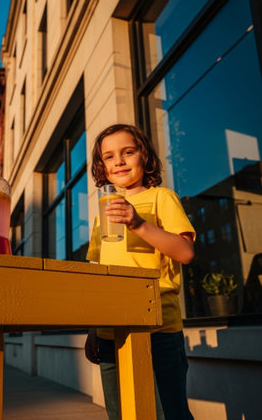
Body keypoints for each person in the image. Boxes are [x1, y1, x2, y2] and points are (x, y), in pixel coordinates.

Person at [84, 124, 195, 420]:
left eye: (128, 152)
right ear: (102, 167)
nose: (118, 161)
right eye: (108, 156)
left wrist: (138, 224)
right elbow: (99, 273)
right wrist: (94, 327)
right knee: (121, 413)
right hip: (111, 331)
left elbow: (185, 253)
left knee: (168, 413)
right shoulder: (103, 215)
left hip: (157, 328)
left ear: (145, 157)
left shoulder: (161, 198)